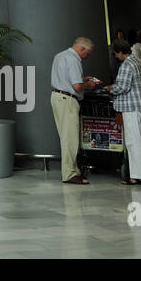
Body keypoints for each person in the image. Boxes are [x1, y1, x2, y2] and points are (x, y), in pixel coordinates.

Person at [50, 37, 98, 185]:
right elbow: (77, 86)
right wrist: (88, 85)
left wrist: (83, 79)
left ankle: (72, 170)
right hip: (68, 100)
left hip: (57, 97)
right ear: (82, 49)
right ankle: (70, 174)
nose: (87, 57)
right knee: (70, 139)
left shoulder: (60, 55)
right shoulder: (74, 59)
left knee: (65, 137)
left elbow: (66, 79)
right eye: (88, 53)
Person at [109, 41, 141, 185]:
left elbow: (123, 87)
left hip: (131, 107)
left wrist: (110, 88)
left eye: (116, 53)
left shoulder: (126, 65)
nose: (116, 56)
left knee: (133, 142)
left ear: (121, 52)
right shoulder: (137, 62)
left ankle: (137, 176)